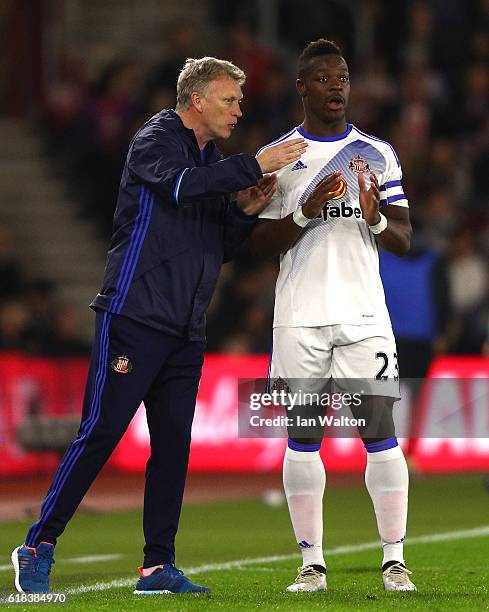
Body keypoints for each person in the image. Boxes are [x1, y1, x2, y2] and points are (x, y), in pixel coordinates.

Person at [11, 56, 307, 595]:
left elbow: (219, 248)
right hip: (135, 314)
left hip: (185, 327)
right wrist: (254, 165)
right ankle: (37, 543)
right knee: (101, 432)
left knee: (172, 445)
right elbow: (179, 188)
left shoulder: (209, 160)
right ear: (196, 100)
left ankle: (157, 565)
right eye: (229, 100)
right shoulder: (156, 139)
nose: (239, 110)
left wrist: (243, 212)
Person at [250, 39, 416, 592]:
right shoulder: (281, 156)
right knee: (302, 437)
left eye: (342, 78)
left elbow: (404, 239)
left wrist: (372, 219)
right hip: (298, 315)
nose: (336, 87)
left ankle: (394, 560)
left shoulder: (377, 154)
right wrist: (302, 211)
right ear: (302, 87)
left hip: (363, 313)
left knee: (379, 433)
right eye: (323, 79)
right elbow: (258, 242)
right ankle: (311, 565)